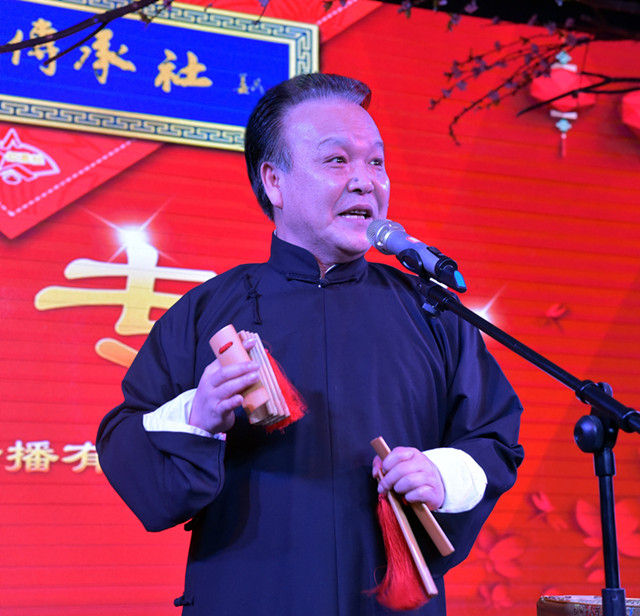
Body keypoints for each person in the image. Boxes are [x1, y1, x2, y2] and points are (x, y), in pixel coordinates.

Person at [97, 73, 524, 615]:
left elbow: (494, 438)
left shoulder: (432, 312)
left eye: (376, 162)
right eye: (337, 160)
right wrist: (197, 416)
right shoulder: (208, 311)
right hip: (251, 597)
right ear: (274, 181)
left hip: (388, 600)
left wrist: (441, 476)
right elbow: (125, 435)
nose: (366, 182)